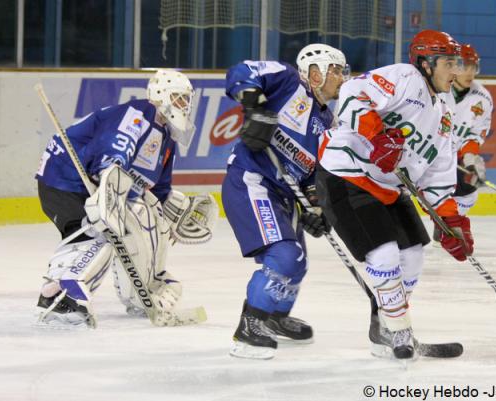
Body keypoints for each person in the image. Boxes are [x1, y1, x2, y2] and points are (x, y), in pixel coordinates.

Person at [315, 30, 474, 360]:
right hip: (346, 175)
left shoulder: (444, 114)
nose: (455, 71)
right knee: (384, 254)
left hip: (389, 186)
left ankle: (384, 328)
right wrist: (376, 135)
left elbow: (436, 179)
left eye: (456, 63)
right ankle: (399, 331)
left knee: (413, 255)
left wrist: (452, 222)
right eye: (448, 63)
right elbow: (351, 95)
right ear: (425, 63)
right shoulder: (403, 76)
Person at [34, 69, 218, 328]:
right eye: (178, 98)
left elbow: (158, 190)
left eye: (186, 99)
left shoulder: (167, 139)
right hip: (64, 178)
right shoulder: (138, 114)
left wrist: (167, 214)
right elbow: (114, 153)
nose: (184, 105)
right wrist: (110, 186)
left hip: (88, 186)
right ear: (160, 95)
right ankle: (64, 297)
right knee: (100, 233)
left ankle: (138, 292)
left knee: (144, 218)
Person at [222, 44, 349, 359]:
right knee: (285, 254)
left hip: (283, 194)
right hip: (252, 180)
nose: (342, 78)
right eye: (337, 70)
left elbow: (311, 176)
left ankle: (275, 317)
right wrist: (254, 106)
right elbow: (242, 71)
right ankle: (250, 327)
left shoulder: (328, 123)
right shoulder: (289, 81)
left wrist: (315, 206)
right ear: (316, 72)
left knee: (298, 262)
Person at [449, 43, 493, 216]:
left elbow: (474, 134)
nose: (470, 72)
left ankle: (447, 224)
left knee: (468, 192)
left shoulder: (482, 98)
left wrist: (469, 160)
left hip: (453, 156)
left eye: (473, 67)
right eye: (465, 66)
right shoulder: (438, 88)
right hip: (424, 153)